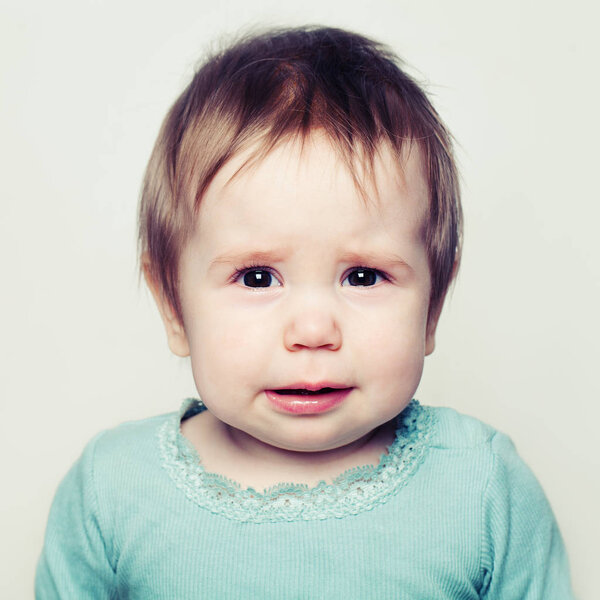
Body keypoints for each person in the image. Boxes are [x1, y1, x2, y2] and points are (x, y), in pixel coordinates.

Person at [35, 26, 574, 598]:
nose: (314, 331)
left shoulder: (482, 486)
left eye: (364, 276)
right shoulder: (112, 491)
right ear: (173, 305)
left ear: (433, 305)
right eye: (257, 277)